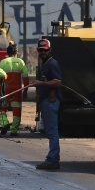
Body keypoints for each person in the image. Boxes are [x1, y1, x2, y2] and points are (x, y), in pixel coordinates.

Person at [30, 39, 62, 169]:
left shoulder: (52, 64)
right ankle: (53, 159)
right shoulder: (45, 64)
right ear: (38, 51)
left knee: (52, 131)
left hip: (50, 101)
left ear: (50, 50)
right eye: (41, 50)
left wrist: (40, 84)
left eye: (45, 50)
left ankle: (53, 160)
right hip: (46, 101)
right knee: (49, 131)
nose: (43, 52)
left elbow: (57, 82)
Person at [0, 42, 29, 135]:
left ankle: (5, 123)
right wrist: (25, 91)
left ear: (7, 53)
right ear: (16, 53)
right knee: (17, 111)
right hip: (17, 91)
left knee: (1, 109)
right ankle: (14, 131)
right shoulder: (21, 62)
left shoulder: (3, 62)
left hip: (6, 90)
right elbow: (26, 78)